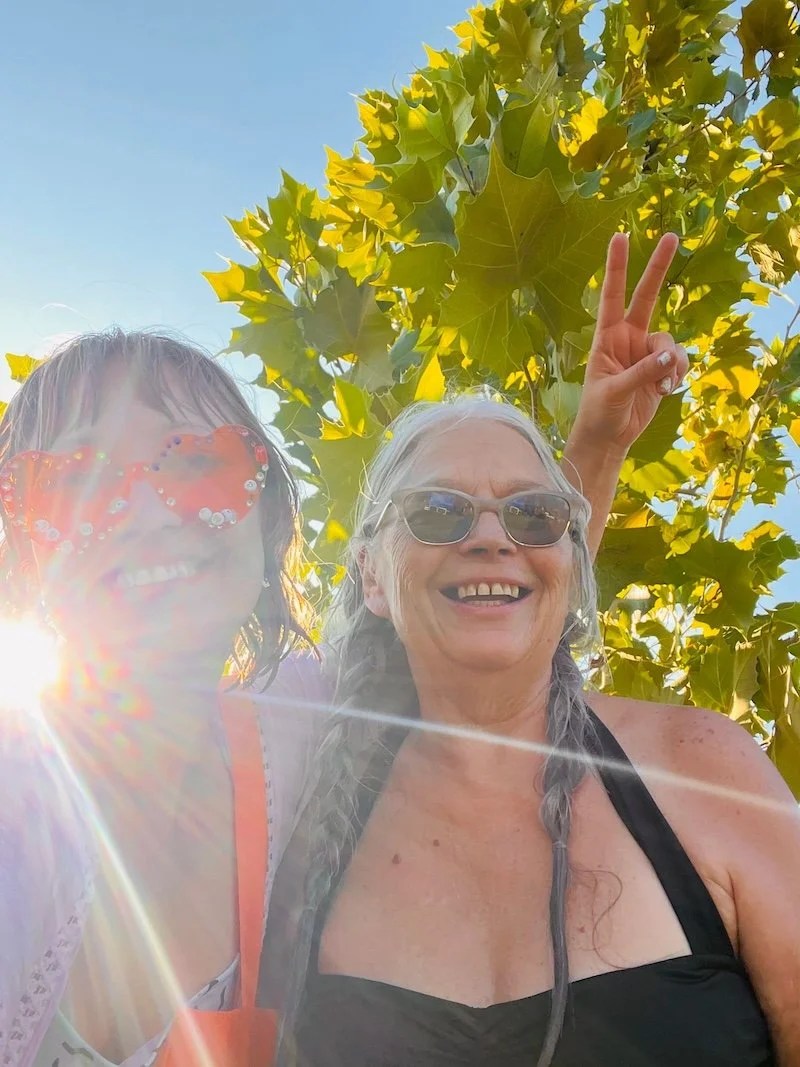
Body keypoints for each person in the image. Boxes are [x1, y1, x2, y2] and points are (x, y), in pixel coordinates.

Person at [0, 232, 691, 1067]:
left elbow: (479, 597)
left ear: (268, 527)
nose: (145, 510)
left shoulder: (300, 731)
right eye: (75, 480)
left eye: (197, 465)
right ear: (20, 541)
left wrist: (595, 450)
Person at [273, 392, 800, 1067]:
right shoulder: (306, 803)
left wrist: (601, 448)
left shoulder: (700, 764)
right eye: (438, 511)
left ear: (570, 562)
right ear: (372, 573)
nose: (493, 538)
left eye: (534, 514)